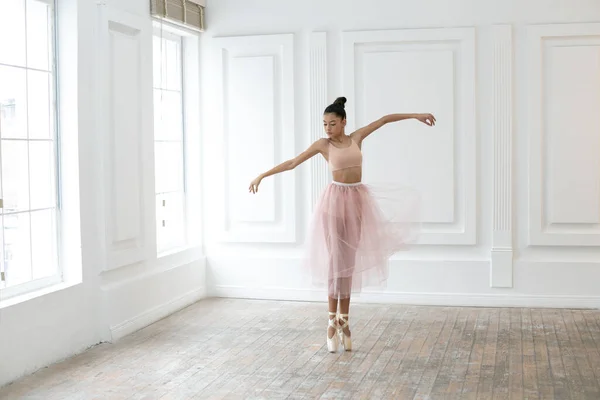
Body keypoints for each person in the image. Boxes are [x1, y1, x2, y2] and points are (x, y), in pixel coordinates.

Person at [248, 97, 435, 353]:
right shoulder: (323, 145)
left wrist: (416, 114)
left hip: (357, 201)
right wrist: (262, 175)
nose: (327, 128)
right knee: (335, 261)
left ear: (343, 122)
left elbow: (383, 120)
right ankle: (329, 320)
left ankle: (344, 321)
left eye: (332, 123)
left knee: (348, 261)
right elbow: (293, 163)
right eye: (325, 124)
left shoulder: (356, 138)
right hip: (334, 203)